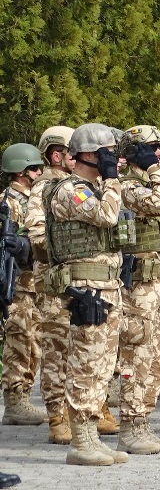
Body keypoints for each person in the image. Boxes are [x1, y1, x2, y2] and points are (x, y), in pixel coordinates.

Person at [44, 123, 128, 465]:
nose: (113, 160)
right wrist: (112, 179)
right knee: (86, 364)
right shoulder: (71, 190)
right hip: (86, 289)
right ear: (90, 154)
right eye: (108, 153)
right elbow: (107, 215)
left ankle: (91, 435)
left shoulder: (94, 188)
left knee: (103, 366)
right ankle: (80, 441)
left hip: (107, 286)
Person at [114, 126, 160, 453]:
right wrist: (156, 170)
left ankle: (144, 420)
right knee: (137, 356)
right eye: (152, 148)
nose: (159, 154)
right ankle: (130, 425)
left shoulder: (150, 184)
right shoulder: (127, 187)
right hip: (139, 287)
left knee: (157, 357)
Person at [25, 126, 78, 444]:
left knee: (85, 345)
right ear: (57, 155)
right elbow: (36, 232)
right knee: (57, 348)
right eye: (73, 152)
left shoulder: (78, 185)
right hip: (55, 279)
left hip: (83, 277)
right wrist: (72, 247)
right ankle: (57, 416)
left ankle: (89, 410)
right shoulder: (44, 187)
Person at [0, 143, 45, 427]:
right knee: (20, 341)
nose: (39, 173)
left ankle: (23, 397)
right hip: (17, 283)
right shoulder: (8, 202)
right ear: (21, 171)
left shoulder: (29, 200)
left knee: (33, 341)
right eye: (35, 169)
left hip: (32, 282)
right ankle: (15, 402)